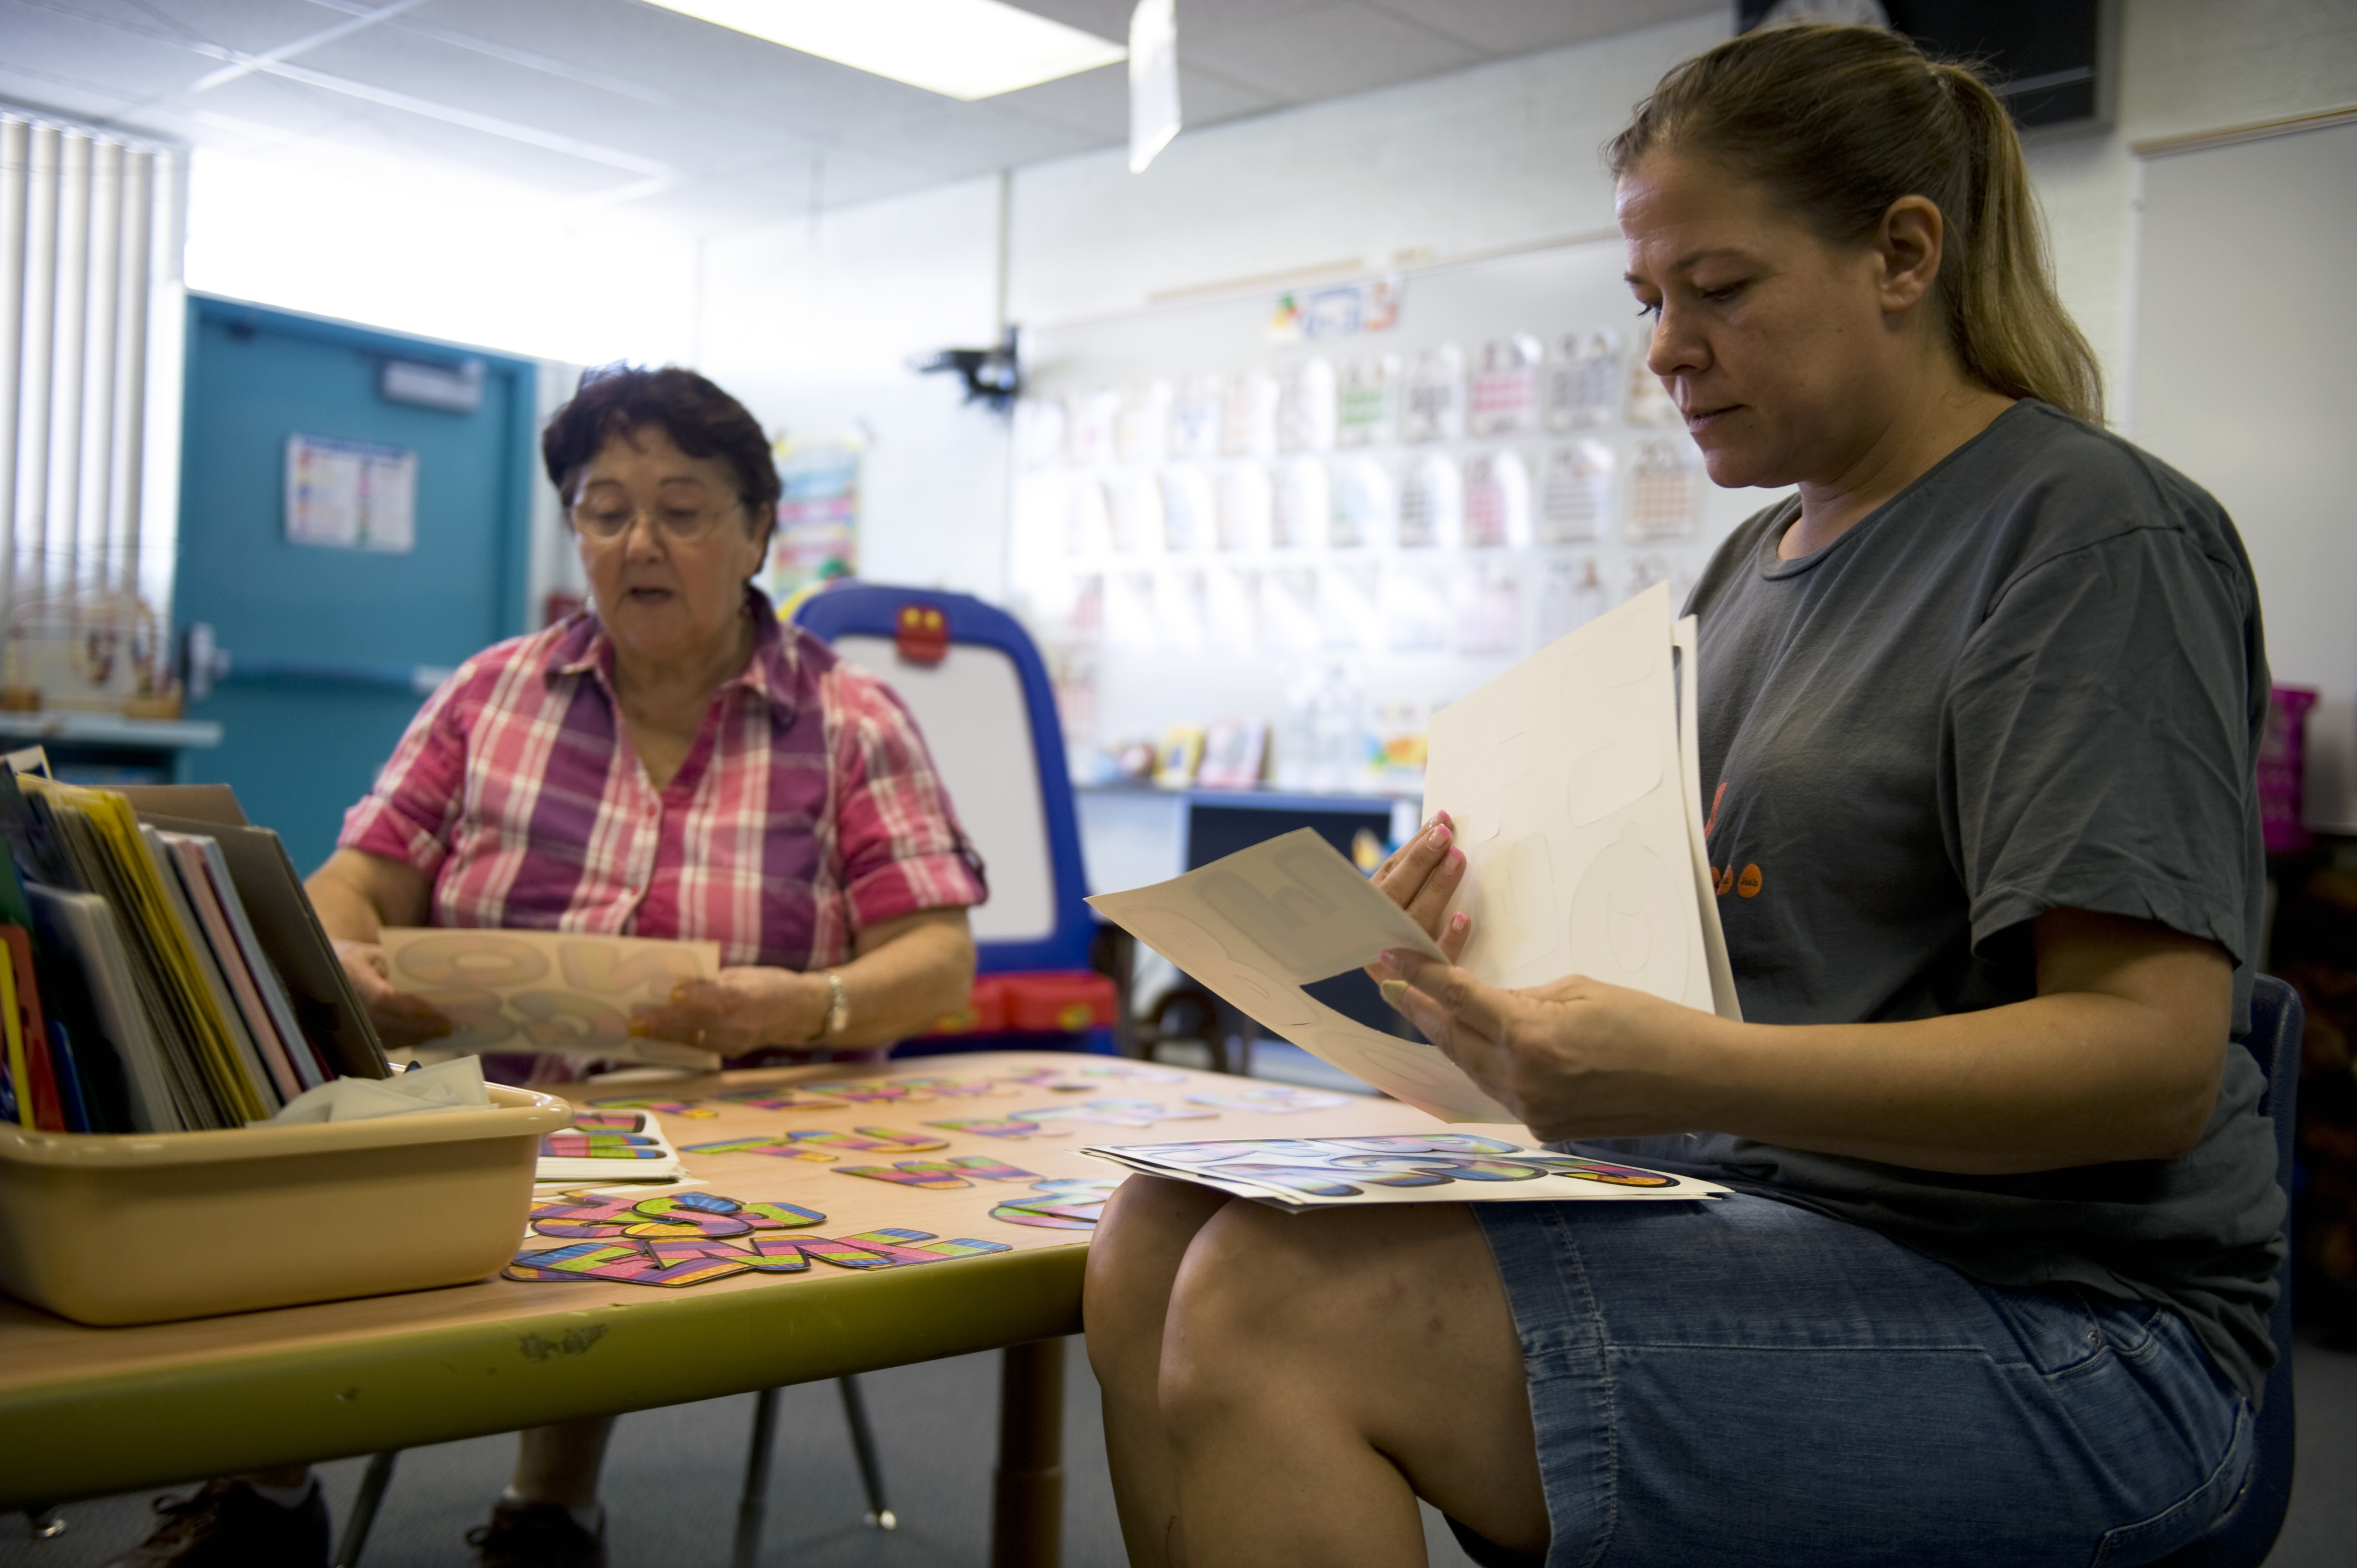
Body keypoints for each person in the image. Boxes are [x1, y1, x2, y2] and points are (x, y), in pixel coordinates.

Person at [1084, 23, 2282, 1568]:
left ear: (1903, 255)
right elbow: (1709, 984)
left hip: (2071, 1323)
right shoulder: (1738, 577)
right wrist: (1454, 1001)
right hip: (1765, 1219)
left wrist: (1690, 1073)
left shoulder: (2087, 540)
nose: (1663, 348)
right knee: (1149, 1240)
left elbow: (2147, 1068)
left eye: (1719, 291)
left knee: (1279, 1304)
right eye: (1650, 300)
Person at [106, 367, 984, 1568]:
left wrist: (811, 1002)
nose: (639, 542)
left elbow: (938, 960)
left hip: (731, 1110)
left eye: (681, 509)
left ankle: (549, 1513)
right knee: (302, 1115)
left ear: (758, 530)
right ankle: (266, 1489)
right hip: (479, 1091)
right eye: (604, 508)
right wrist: (348, 954)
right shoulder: (492, 694)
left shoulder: (852, 722)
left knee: (614, 1149)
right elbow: (357, 876)